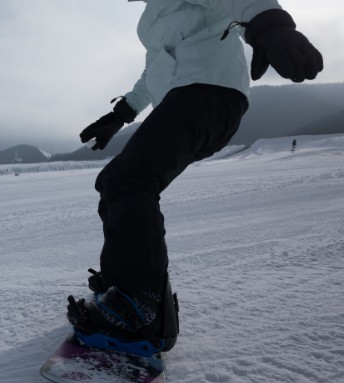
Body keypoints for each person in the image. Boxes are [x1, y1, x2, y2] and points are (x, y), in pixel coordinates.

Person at [67, 0, 323, 357]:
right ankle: (124, 287)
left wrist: (270, 25)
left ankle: (139, 307)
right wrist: (121, 113)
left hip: (209, 91)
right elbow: (155, 66)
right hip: (184, 96)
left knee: (130, 179)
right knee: (116, 181)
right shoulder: (152, 17)